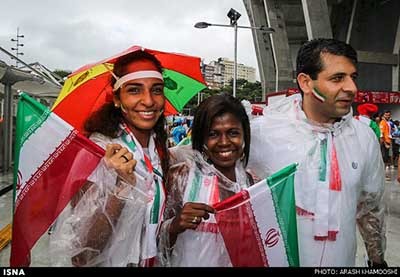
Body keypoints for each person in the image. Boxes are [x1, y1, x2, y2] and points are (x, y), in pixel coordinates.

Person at [248, 38, 386, 267]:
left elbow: (370, 209)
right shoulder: (262, 133)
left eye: (353, 77)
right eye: (337, 78)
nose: (352, 88)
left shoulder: (364, 137)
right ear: (306, 82)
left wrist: (377, 260)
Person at [50, 50, 169, 267]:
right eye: (134, 90)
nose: (149, 100)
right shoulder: (96, 152)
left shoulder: (158, 149)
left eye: (156, 90)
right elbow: (83, 252)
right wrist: (122, 188)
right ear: (116, 98)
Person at [158, 93, 253, 266]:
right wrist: (174, 225)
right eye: (213, 134)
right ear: (201, 138)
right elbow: (154, 245)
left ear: (244, 135)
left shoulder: (251, 184)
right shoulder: (182, 177)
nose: (224, 142)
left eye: (233, 133)